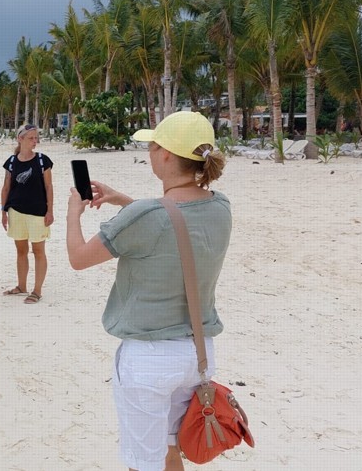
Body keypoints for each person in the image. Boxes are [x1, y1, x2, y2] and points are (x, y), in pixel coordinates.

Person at [66, 111, 230, 471]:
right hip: (198, 353)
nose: (150, 152)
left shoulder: (144, 216)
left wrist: (72, 214)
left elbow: (78, 258)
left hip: (149, 359)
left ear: (166, 154)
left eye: (153, 146)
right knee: (171, 451)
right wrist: (123, 200)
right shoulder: (220, 207)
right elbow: (174, 221)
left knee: (143, 464)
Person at [0, 124, 54, 304]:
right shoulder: (11, 162)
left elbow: (49, 187)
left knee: (38, 251)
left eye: (36, 138)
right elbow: (6, 187)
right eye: (31, 138)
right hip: (15, 211)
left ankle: (37, 290)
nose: (35, 141)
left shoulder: (42, 160)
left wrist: (50, 210)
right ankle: (21, 286)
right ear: (20, 139)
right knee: (21, 250)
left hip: (38, 212)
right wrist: (3, 211)